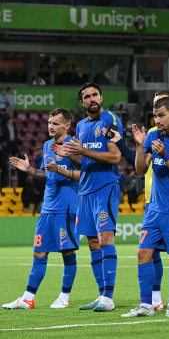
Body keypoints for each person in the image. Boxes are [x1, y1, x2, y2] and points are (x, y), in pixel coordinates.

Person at [112, 89, 169, 313]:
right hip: (154, 207)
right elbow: (141, 169)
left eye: (161, 115)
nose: (157, 120)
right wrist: (141, 146)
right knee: (143, 253)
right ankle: (146, 304)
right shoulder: (153, 136)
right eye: (155, 116)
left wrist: (166, 156)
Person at [52, 83, 122, 312]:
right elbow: (85, 162)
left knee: (105, 239)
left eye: (95, 95)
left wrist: (83, 151)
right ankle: (101, 294)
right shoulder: (81, 126)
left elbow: (115, 157)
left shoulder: (110, 120)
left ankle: (109, 298)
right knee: (92, 242)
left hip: (105, 187)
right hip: (85, 191)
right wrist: (70, 155)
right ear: (82, 103)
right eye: (87, 97)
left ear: (101, 97)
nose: (92, 99)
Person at [3, 108, 80, 310]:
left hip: (66, 207)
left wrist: (62, 169)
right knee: (39, 253)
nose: (50, 126)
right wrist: (29, 170)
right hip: (48, 208)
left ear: (67, 126)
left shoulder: (74, 145)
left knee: (67, 252)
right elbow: (48, 173)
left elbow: (85, 173)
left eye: (55, 123)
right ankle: (28, 298)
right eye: (49, 123)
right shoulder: (47, 145)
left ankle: (64, 296)